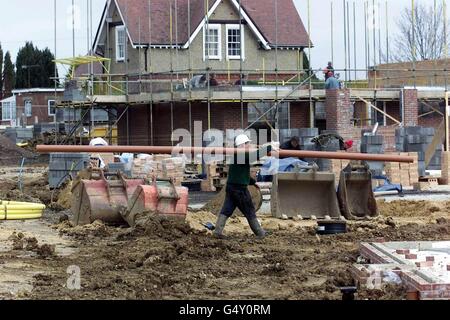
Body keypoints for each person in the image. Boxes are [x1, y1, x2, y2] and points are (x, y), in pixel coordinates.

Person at [213, 134, 271, 239]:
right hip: (239, 190)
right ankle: (260, 232)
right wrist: (269, 147)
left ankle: (217, 231)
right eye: (247, 143)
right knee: (249, 210)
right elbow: (255, 156)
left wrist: (252, 182)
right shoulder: (241, 155)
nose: (249, 145)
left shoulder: (237, 155)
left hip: (231, 187)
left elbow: (240, 174)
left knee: (227, 209)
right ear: (242, 145)